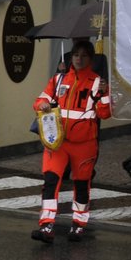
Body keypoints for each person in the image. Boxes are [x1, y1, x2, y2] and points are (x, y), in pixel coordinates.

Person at [30, 39, 112, 244]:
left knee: (82, 184)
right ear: (70, 57)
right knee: (50, 181)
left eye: (83, 55)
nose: (78, 59)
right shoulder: (58, 79)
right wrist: (43, 105)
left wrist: (103, 93)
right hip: (58, 142)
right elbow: (39, 100)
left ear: (91, 59)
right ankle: (46, 224)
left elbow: (105, 114)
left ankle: (79, 224)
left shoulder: (97, 83)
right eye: (76, 55)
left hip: (85, 144)